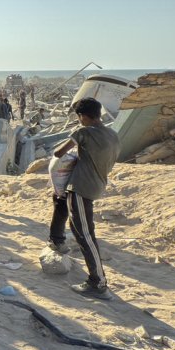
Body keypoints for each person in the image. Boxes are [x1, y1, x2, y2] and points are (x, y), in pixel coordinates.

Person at [50, 97, 120, 300]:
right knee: (65, 210)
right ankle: (56, 238)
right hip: (98, 184)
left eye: (79, 117)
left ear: (83, 116)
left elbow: (58, 152)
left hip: (81, 187)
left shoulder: (83, 132)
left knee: (85, 235)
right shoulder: (112, 134)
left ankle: (98, 283)